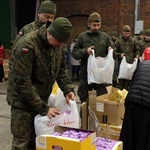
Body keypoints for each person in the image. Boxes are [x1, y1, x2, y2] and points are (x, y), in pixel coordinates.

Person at [6, 17, 76, 150]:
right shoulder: (27, 45)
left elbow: (61, 71)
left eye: (62, 43)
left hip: (41, 102)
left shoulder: (57, 46)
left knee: (38, 142)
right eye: (59, 41)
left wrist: (68, 89)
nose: (60, 45)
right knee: (21, 143)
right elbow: (22, 81)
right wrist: (44, 109)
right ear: (50, 33)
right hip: (22, 105)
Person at [72, 12, 113, 104]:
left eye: (98, 25)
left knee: (101, 100)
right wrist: (85, 51)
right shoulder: (82, 37)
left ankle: (99, 118)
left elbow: (111, 49)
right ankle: (84, 117)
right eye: (94, 25)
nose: (96, 27)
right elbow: (74, 53)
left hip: (100, 75)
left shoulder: (105, 37)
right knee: (84, 99)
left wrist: (110, 50)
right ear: (88, 24)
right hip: (86, 73)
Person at [119, 48, 150, 150]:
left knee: (129, 135)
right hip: (146, 106)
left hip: (132, 102)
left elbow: (132, 85)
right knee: (144, 138)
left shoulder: (141, 65)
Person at [114, 25, 140, 90]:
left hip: (131, 65)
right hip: (121, 65)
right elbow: (114, 52)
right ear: (122, 32)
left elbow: (137, 50)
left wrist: (136, 56)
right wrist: (119, 55)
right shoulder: (118, 41)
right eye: (126, 33)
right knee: (121, 83)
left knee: (129, 83)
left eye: (128, 33)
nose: (127, 35)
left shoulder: (133, 41)